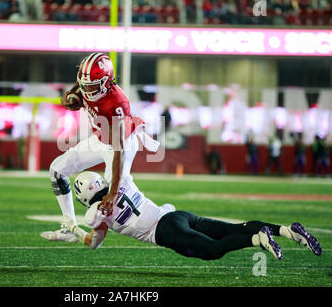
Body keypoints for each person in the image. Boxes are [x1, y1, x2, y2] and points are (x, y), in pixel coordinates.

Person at [64, 171, 322, 261]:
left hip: (166, 231)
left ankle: (258, 240)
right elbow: (119, 164)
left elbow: (94, 242)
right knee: (230, 229)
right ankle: (287, 230)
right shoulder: (121, 180)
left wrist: (73, 228)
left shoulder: (93, 214)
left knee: (213, 250)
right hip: (178, 216)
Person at [40, 53, 158, 243]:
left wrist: (112, 192)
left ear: (107, 81)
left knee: (118, 192)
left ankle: (155, 217)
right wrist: (70, 98)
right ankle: (69, 226)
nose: (87, 89)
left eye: (92, 85)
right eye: (83, 84)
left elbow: (118, 149)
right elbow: (69, 96)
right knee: (56, 170)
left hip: (121, 144)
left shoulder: (117, 103)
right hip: (101, 138)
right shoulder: (87, 83)